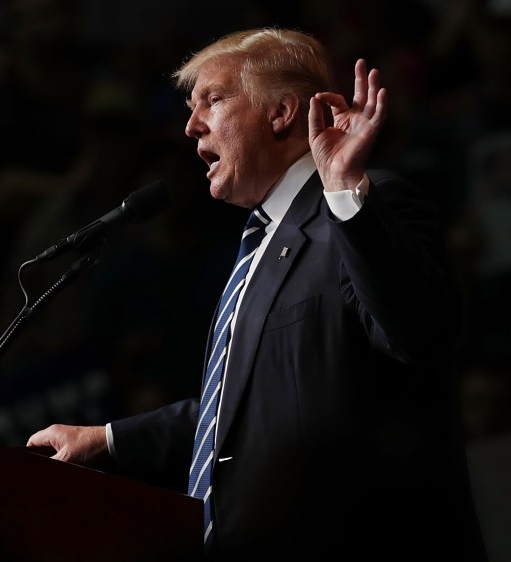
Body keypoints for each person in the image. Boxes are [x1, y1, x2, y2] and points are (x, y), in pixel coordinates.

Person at [25, 27, 488, 561]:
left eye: (213, 100)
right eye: (191, 109)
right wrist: (106, 439)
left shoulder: (366, 206)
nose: (191, 125)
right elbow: (245, 409)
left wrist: (344, 190)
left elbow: (418, 334)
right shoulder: (259, 242)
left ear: (282, 112)